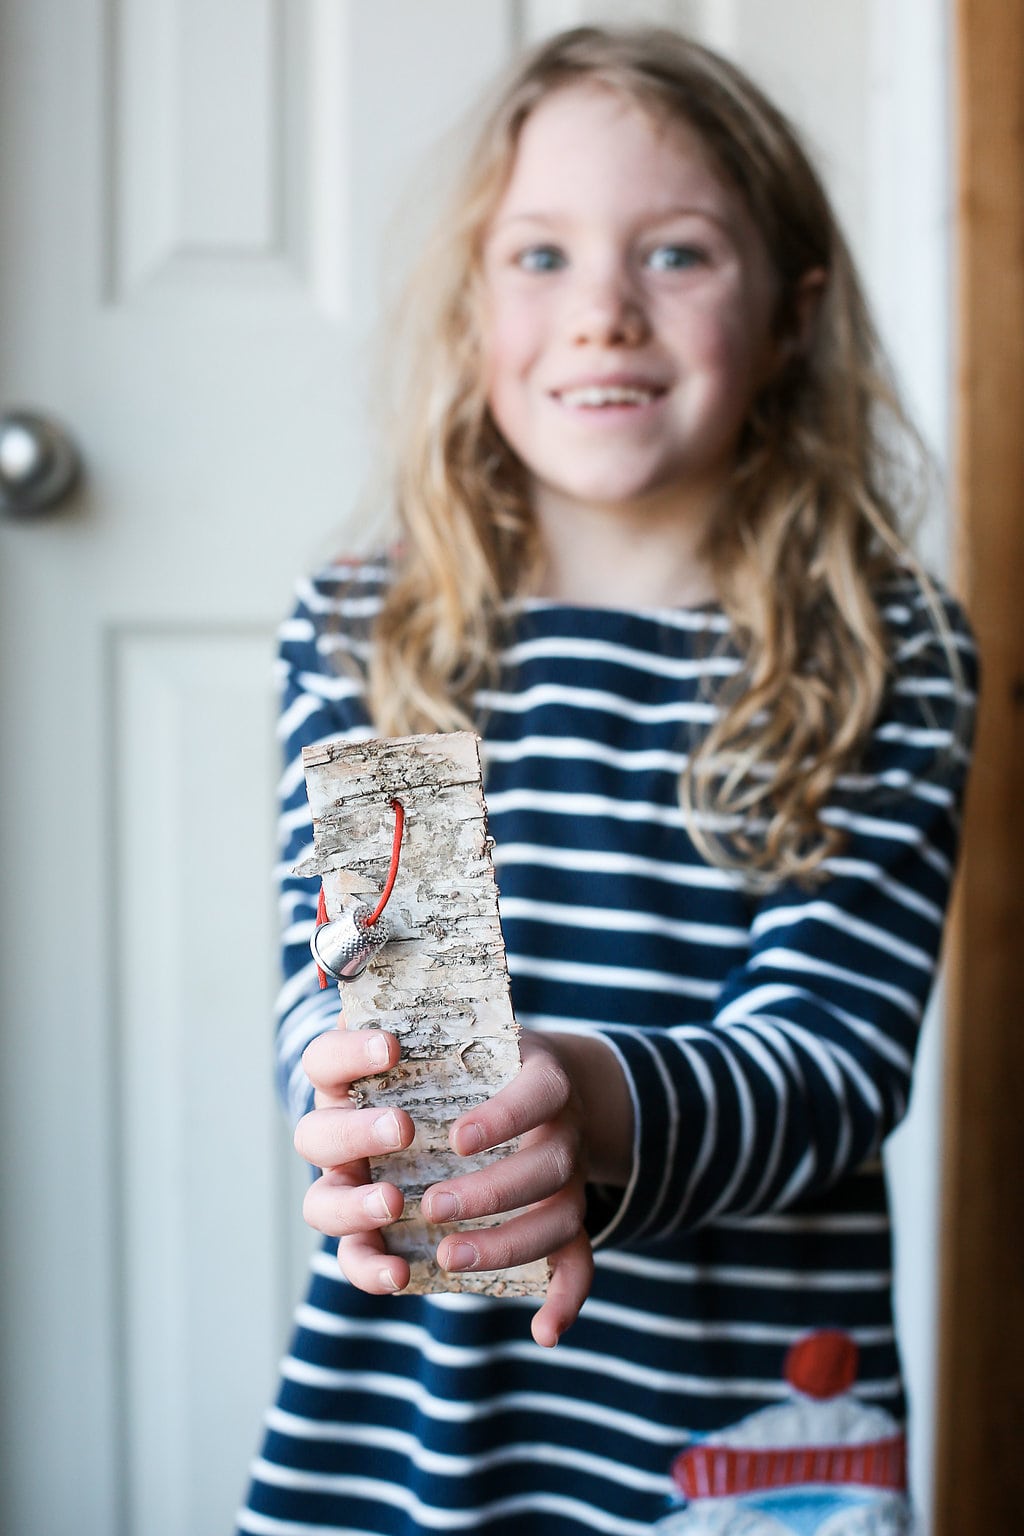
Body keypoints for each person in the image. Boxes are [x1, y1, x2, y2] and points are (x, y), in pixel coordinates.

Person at [237, 25, 975, 1536]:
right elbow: (334, 992)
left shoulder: (880, 649)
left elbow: (832, 1059)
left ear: (791, 315)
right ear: (471, 306)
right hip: (413, 1421)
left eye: (680, 255)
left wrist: (599, 1102)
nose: (605, 316)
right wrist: (342, 1093)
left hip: (732, 1430)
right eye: (542, 258)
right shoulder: (376, 630)